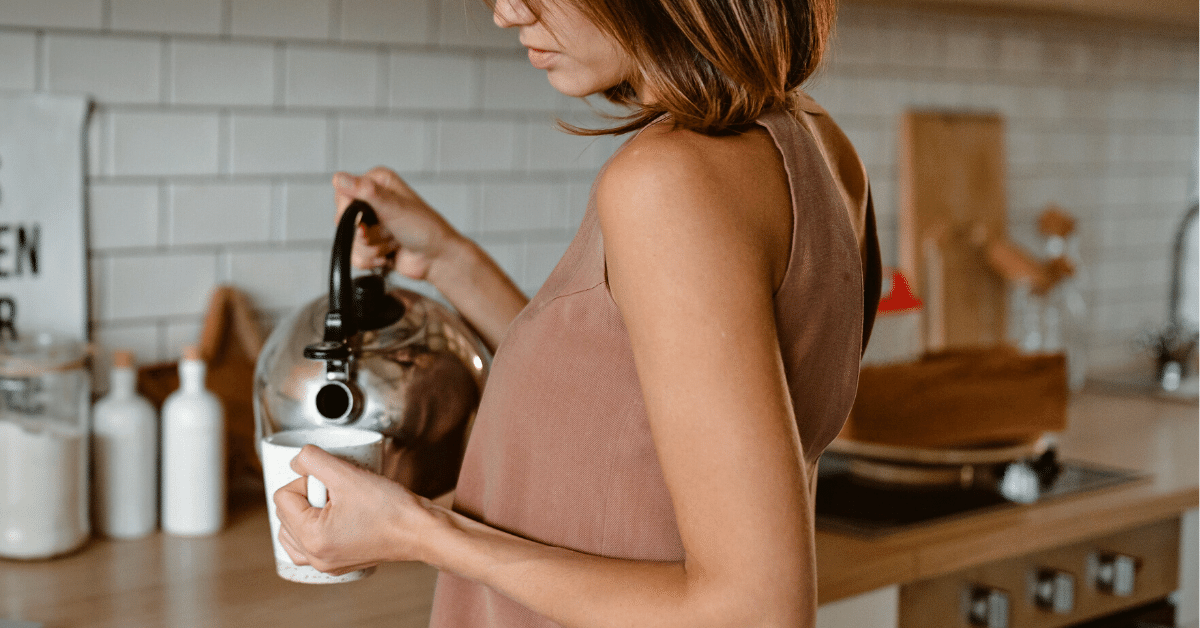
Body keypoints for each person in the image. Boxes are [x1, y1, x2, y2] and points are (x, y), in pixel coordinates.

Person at [273, 0, 882, 625]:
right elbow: (618, 408)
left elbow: (751, 614)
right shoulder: (814, 140)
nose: (506, 13)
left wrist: (418, 531)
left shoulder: (668, 180)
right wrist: (449, 261)